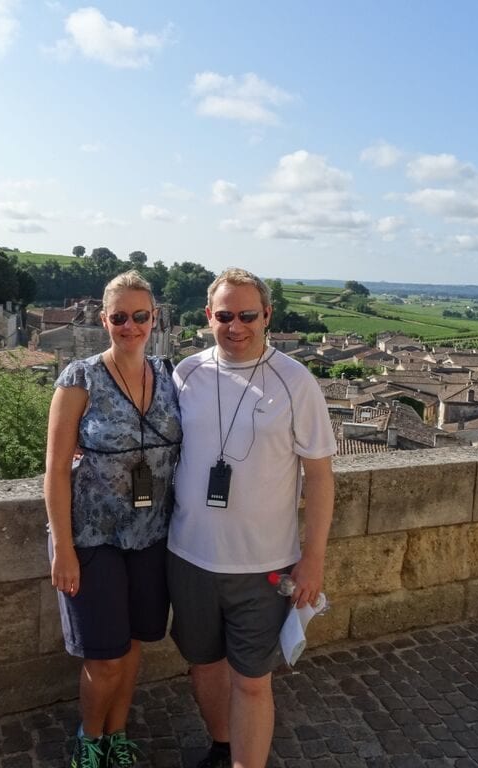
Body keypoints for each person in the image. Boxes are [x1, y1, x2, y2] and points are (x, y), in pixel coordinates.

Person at [168, 268, 337, 768]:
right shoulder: (186, 374)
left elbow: (321, 478)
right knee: (202, 665)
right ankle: (223, 745)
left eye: (247, 315)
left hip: (265, 564)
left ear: (267, 316)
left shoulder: (296, 381)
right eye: (224, 315)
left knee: (252, 681)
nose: (235, 326)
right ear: (208, 317)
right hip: (189, 557)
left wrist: (313, 560)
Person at [44, 271, 182, 768]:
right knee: (103, 658)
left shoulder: (169, 374)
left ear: (154, 318)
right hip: (91, 538)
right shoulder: (80, 378)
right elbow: (56, 469)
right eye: (119, 317)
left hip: (152, 538)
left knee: (134, 647)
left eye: (139, 316)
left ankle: (118, 732)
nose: (130, 326)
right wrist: (63, 547)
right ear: (104, 320)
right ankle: (89, 738)